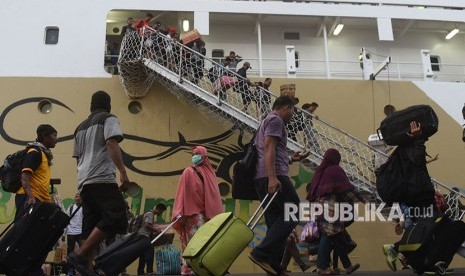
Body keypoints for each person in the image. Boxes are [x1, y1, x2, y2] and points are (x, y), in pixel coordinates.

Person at [68, 91, 130, 276]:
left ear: (91, 105)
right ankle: (79, 255)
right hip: (101, 177)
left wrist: (82, 180)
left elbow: (77, 159)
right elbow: (112, 143)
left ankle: (84, 270)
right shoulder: (108, 118)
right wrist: (123, 172)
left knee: (90, 226)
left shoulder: (79, 127)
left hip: (84, 181)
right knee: (117, 214)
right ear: (108, 104)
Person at [249, 96, 309, 275]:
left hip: (261, 177)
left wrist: (291, 158)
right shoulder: (276, 120)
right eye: (292, 110)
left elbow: (266, 149)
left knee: (275, 221)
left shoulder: (265, 121)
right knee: (294, 211)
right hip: (274, 176)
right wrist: (273, 177)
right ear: (285, 107)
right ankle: (261, 253)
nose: (293, 114)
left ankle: (274, 264)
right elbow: (268, 147)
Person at [382, 121, 437, 272]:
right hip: (419, 196)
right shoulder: (409, 147)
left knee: (425, 229)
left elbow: (418, 169)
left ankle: (422, 264)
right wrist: (418, 138)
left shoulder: (402, 150)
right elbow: (418, 161)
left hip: (419, 194)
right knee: (432, 227)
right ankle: (395, 248)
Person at [306, 148, 361, 275]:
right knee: (329, 235)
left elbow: (312, 192)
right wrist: (363, 200)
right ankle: (321, 267)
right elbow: (347, 188)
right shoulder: (334, 170)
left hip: (319, 209)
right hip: (329, 210)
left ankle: (347, 266)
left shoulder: (320, 171)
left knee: (337, 236)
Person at [172, 146, 224, 275]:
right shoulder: (211, 174)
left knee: (191, 247)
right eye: (193, 153)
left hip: (192, 217)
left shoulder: (189, 172)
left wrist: (178, 213)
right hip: (207, 220)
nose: (194, 156)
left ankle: (189, 271)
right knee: (203, 247)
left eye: (197, 154)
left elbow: (182, 195)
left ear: (203, 156)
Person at [14, 124, 58, 275]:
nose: (56, 140)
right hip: (29, 200)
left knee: (41, 239)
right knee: (25, 238)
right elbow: (25, 176)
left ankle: (33, 269)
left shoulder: (44, 154)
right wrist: (31, 196)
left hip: (40, 201)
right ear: (45, 136)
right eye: (54, 135)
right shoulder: (35, 152)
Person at [137, 203, 167, 276]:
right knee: (150, 252)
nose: (161, 213)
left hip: (141, 236)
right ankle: (149, 271)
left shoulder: (149, 214)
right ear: (158, 209)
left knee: (143, 255)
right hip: (144, 236)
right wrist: (156, 230)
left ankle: (140, 272)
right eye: (161, 211)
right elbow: (147, 225)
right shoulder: (150, 214)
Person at [65, 193, 83, 276]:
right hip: (71, 232)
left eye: (78, 196)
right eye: (76, 196)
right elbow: (66, 220)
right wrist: (64, 233)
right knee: (70, 252)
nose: (77, 197)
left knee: (83, 251)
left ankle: (81, 270)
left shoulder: (84, 208)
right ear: (74, 198)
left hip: (80, 233)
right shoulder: (71, 208)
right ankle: (70, 269)